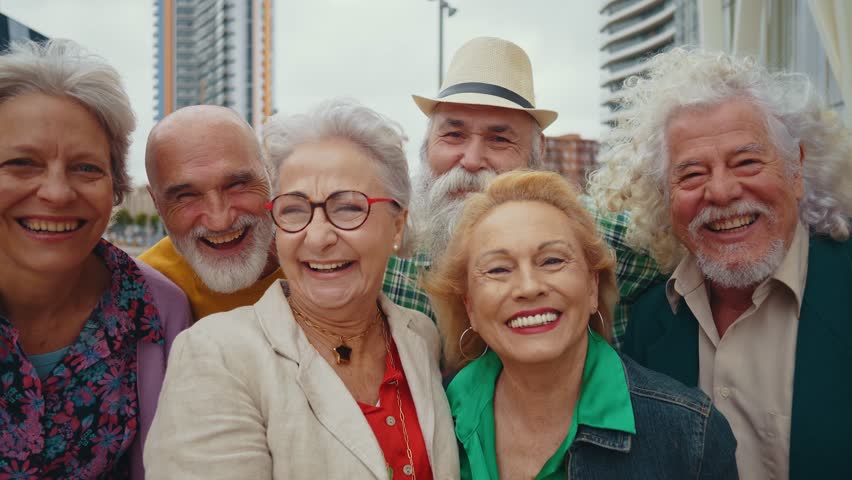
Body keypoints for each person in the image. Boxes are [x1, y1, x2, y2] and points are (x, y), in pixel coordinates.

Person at [144, 99, 458, 479]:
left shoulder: (421, 337)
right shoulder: (214, 354)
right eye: (294, 209)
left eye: (347, 207)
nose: (319, 236)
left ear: (396, 225)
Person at [589, 47, 852, 479]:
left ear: (797, 169)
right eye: (691, 174)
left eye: (747, 162)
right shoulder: (650, 319)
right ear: (665, 195)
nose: (723, 191)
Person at [424, 170, 737, 479]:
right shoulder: (429, 415)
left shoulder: (689, 433)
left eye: (552, 261)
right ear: (470, 307)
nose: (529, 287)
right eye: (498, 269)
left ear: (591, 286)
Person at [383, 36, 662, 348]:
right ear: (426, 144)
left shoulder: (595, 235)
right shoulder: (385, 250)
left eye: (499, 139)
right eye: (453, 135)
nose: (472, 160)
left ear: (537, 151)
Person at [0, 40, 190, 479]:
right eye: (22, 163)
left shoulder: (160, 311)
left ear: (116, 186)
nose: (57, 192)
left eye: (86, 168)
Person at [140, 105, 282, 322]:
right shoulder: (137, 292)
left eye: (237, 184)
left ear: (270, 175)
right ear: (156, 204)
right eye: (186, 196)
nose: (220, 221)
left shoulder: (331, 264)